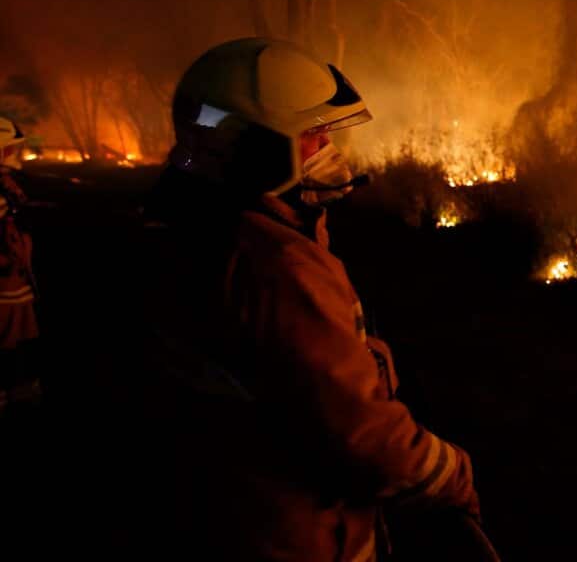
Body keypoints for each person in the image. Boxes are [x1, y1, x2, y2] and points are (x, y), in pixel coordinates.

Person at [140, 38, 481, 561]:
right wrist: (453, 472)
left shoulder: (189, 227)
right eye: (314, 134)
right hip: (291, 537)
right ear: (259, 150)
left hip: (219, 518)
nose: (330, 148)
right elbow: (364, 437)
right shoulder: (275, 266)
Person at [0, 116, 39, 415]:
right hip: (3, 279)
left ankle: (20, 389)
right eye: (10, 149)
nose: (15, 154)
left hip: (14, 276)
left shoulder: (6, 183)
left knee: (18, 336)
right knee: (6, 338)